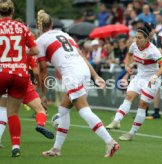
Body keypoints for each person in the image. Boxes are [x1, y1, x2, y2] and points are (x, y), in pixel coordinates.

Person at [35, 10, 119, 157]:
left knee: (84, 110)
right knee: (63, 110)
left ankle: (110, 142)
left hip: (72, 73)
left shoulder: (40, 40)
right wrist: (95, 75)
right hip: (83, 70)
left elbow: (42, 69)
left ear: (39, 25)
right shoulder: (65, 35)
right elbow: (82, 56)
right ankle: (56, 149)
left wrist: (42, 95)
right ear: (52, 24)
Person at [106, 24, 162, 141]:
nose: (136, 40)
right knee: (129, 96)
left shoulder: (153, 50)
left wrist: (155, 77)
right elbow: (129, 55)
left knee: (142, 105)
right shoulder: (134, 46)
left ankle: (132, 133)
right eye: (136, 37)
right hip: (139, 77)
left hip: (151, 79)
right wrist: (126, 65)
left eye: (139, 38)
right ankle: (116, 121)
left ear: (146, 39)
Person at [0, 0, 39, 157]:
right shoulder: (23, 27)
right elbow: (35, 50)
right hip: (20, 74)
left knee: (2, 107)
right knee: (13, 113)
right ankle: (15, 146)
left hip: (2, 71)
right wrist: (21, 54)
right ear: (12, 12)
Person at [0, 55, 55, 148]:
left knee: (4, 109)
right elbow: (36, 72)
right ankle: (40, 124)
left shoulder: (5, 45)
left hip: (6, 78)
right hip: (23, 82)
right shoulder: (28, 51)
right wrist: (37, 84)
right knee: (41, 110)